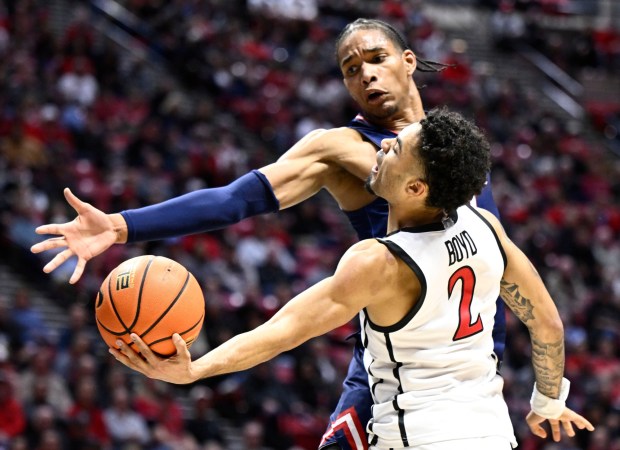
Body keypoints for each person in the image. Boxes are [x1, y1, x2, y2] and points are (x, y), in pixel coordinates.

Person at [31, 19, 504, 450]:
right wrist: (120, 225)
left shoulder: (460, 150)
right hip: (393, 370)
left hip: (471, 375)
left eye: (376, 59)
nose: (365, 75)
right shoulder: (343, 148)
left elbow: (507, 271)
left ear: (408, 61)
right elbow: (235, 200)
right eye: (350, 68)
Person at [108, 107, 594, 449]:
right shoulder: (487, 228)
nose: (382, 147)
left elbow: (282, 331)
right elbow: (547, 324)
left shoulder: (380, 263)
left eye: (396, 148)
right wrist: (547, 402)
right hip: (492, 436)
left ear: (416, 188)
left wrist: (195, 370)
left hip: (417, 439)